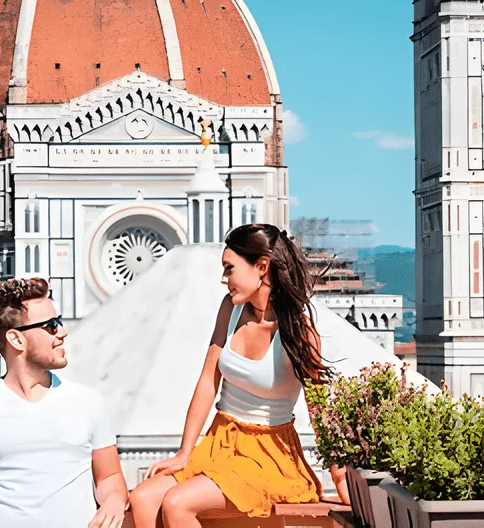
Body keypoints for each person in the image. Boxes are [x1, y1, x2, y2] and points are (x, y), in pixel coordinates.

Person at [128, 223, 339, 527]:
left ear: (262, 267)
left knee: (177, 503)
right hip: (220, 442)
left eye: (229, 268)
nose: (223, 278)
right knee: (142, 498)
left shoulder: (299, 330)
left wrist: (339, 473)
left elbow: (319, 407)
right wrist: (184, 452)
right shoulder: (231, 308)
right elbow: (208, 381)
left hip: (269, 455)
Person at [0, 277, 128, 528]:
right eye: (51, 326)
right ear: (17, 339)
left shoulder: (89, 403)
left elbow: (109, 477)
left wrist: (114, 502)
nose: (63, 332)